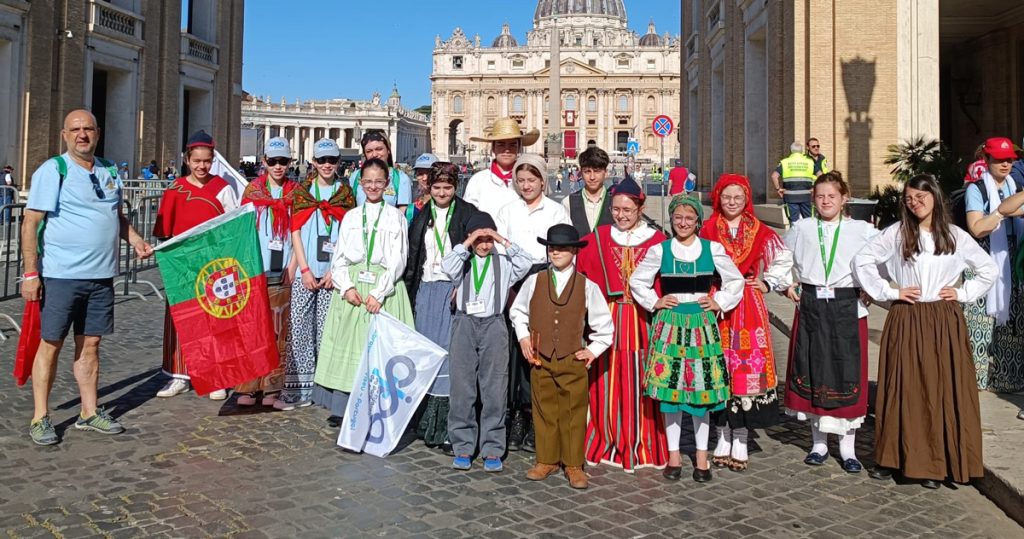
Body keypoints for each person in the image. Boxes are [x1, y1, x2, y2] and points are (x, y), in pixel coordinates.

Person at [21, 109, 154, 445]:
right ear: (65, 135)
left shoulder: (110, 170)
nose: (82, 135)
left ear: (97, 133)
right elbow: (30, 222)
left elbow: (117, 217)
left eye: (88, 129)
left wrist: (136, 239)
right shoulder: (53, 170)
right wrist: (30, 273)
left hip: (101, 275)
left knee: (91, 344)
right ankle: (40, 417)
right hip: (61, 274)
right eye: (75, 129)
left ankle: (89, 411)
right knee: (51, 344)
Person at [855, 174, 997, 489]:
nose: (915, 203)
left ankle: (936, 464)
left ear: (934, 197)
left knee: (939, 389)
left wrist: (962, 293)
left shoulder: (955, 235)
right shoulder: (895, 233)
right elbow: (861, 261)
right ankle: (893, 458)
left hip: (943, 320)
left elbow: (988, 269)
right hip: (907, 317)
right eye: (909, 198)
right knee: (903, 387)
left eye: (921, 197)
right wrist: (888, 291)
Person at [629, 194, 744, 483]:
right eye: (678, 218)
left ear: (697, 222)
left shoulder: (712, 249)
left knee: (700, 395)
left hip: (702, 325)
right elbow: (637, 280)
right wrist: (654, 301)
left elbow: (736, 280)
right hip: (670, 324)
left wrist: (721, 302)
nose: (683, 223)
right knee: (672, 394)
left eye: (689, 218)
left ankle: (702, 456)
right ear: (672, 220)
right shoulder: (660, 250)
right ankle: (674, 455)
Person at [782, 171, 877, 473]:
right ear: (813, 199)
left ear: (844, 198)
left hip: (848, 306)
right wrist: (786, 283)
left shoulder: (862, 230)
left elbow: (882, 261)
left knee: (846, 372)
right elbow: (782, 259)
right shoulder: (802, 228)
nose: (825, 201)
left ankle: (848, 448)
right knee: (814, 370)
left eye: (831, 196)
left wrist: (873, 287)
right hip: (811, 304)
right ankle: (819, 443)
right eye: (820, 196)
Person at [700, 174, 794, 472]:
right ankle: (721, 434)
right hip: (714, 303)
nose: (731, 202)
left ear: (746, 200)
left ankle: (741, 435)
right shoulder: (707, 228)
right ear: (718, 198)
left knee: (745, 367)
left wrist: (767, 282)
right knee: (716, 366)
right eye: (727, 197)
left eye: (737, 198)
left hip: (746, 306)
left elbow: (783, 258)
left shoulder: (759, 230)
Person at [574, 177, 669, 473]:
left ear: (640, 208)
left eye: (627, 210)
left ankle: (643, 439)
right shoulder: (598, 237)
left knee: (643, 377)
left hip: (644, 320)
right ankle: (607, 435)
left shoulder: (656, 240)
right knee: (606, 378)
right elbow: (582, 278)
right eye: (616, 209)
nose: (621, 215)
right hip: (609, 318)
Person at [509, 224, 614, 489]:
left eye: (562, 248)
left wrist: (593, 350)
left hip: (571, 357)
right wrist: (523, 337)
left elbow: (604, 326)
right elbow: (518, 312)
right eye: (551, 248)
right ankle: (546, 459)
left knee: (573, 411)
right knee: (544, 409)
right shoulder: (535, 281)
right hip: (540, 357)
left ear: (574, 252)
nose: (555, 252)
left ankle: (573, 464)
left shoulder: (586, 285)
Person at [313, 158, 413, 419]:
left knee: (380, 351)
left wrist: (379, 293)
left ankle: (380, 409)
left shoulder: (395, 217)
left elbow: (398, 258)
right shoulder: (352, 216)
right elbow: (341, 257)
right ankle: (348, 409)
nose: (372, 186)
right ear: (360, 183)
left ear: (387, 184)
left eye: (378, 181)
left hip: (382, 288)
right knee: (351, 348)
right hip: (354, 288)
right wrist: (345, 287)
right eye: (367, 181)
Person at [442, 213, 533, 471]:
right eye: (479, 240)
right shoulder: (463, 261)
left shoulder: (502, 263)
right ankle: (463, 444)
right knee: (462, 386)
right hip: (465, 323)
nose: (484, 244)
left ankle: (492, 446)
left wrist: (501, 239)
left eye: (487, 239)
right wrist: (469, 240)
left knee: (495, 386)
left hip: (493, 324)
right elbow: (446, 266)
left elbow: (526, 262)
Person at [152, 130, 239, 400]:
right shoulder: (175, 190)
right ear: (187, 160)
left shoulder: (223, 189)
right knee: (180, 320)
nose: (202, 166)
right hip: (182, 266)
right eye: (197, 161)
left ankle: (215, 377)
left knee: (215, 321)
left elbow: (232, 227)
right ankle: (180, 375)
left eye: (207, 161)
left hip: (214, 266)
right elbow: (164, 232)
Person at [494, 153, 570, 453]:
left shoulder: (555, 211)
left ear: (542, 181)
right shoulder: (507, 210)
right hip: (512, 283)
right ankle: (515, 416)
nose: (526, 185)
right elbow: (499, 250)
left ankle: (535, 415)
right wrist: (508, 287)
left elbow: (563, 251)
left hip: (542, 280)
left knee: (537, 352)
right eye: (521, 180)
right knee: (513, 353)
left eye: (531, 180)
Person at [274, 139, 355, 413]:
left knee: (326, 331)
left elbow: (349, 236)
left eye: (332, 159)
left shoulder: (345, 193)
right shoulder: (302, 193)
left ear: (338, 162)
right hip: (306, 272)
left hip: (333, 273)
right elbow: (294, 231)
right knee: (299, 329)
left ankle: (324, 387)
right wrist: (303, 269)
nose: (327, 165)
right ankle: (298, 388)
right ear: (313, 162)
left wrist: (335, 270)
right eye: (322, 160)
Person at [403, 161, 478, 453]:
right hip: (426, 289)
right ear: (429, 188)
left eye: (448, 187)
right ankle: (423, 421)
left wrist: (464, 284)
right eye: (437, 187)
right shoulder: (421, 216)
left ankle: (448, 425)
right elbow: (413, 254)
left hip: (452, 290)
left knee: (451, 356)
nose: (443, 192)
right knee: (427, 353)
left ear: (455, 187)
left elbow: (475, 255)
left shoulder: (466, 213)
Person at [233, 137, 300, 407]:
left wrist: (294, 263)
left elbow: (300, 232)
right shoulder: (251, 192)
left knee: (279, 329)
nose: (278, 166)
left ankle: (273, 384)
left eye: (283, 161)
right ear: (264, 162)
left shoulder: (297, 192)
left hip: (283, 266)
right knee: (252, 328)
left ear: (290, 162)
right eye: (273, 161)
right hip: (255, 267)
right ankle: (248, 385)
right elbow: (241, 230)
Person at [964, 137, 1024, 395]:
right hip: (984, 259)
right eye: (999, 159)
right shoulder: (975, 189)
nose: (1006, 164)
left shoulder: (1016, 185)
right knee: (981, 321)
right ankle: (975, 378)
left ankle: (1008, 378)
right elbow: (977, 228)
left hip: (1013, 258)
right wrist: (1000, 212)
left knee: (1012, 319)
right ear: (986, 160)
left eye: (1010, 159)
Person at [462, 117, 540, 218]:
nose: (507, 150)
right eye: (501, 145)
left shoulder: (531, 180)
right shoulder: (478, 180)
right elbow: (467, 216)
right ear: (493, 148)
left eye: (512, 145)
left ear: (519, 148)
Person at [350, 131, 412, 212]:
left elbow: (403, 212)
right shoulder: (355, 176)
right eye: (369, 151)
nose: (374, 154)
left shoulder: (401, 178)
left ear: (388, 150)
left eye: (379, 149)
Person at [562, 146, 614, 237]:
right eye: (587, 172)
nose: (592, 177)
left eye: (597, 171)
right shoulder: (567, 202)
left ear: (606, 173)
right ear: (581, 173)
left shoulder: (616, 202)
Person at [771, 142, 816, 223]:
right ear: (802, 151)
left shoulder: (785, 162)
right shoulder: (810, 162)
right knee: (809, 221)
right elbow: (821, 175)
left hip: (790, 197)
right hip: (806, 196)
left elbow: (774, 176)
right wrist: (815, 188)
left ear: (791, 151)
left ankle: (795, 235)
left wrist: (778, 189)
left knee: (794, 222)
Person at [408, 153, 439, 222]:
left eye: (428, 173)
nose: (424, 178)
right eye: (420, 174)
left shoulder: (447, 207)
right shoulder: (411, 210)